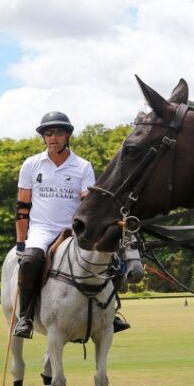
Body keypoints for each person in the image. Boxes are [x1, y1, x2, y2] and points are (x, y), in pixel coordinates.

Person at [13, 112, 129, 337]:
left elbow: (88, 203)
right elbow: (22, 208)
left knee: (114, 261)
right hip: (42, 230)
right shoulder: (31, 165)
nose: (52, 137)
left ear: (67, 135)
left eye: (57, 132)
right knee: (30, 262)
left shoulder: (82, 167)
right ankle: (25, 318)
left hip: (74, 230)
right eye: (48, 133)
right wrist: (20, 242)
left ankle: (110, 314)